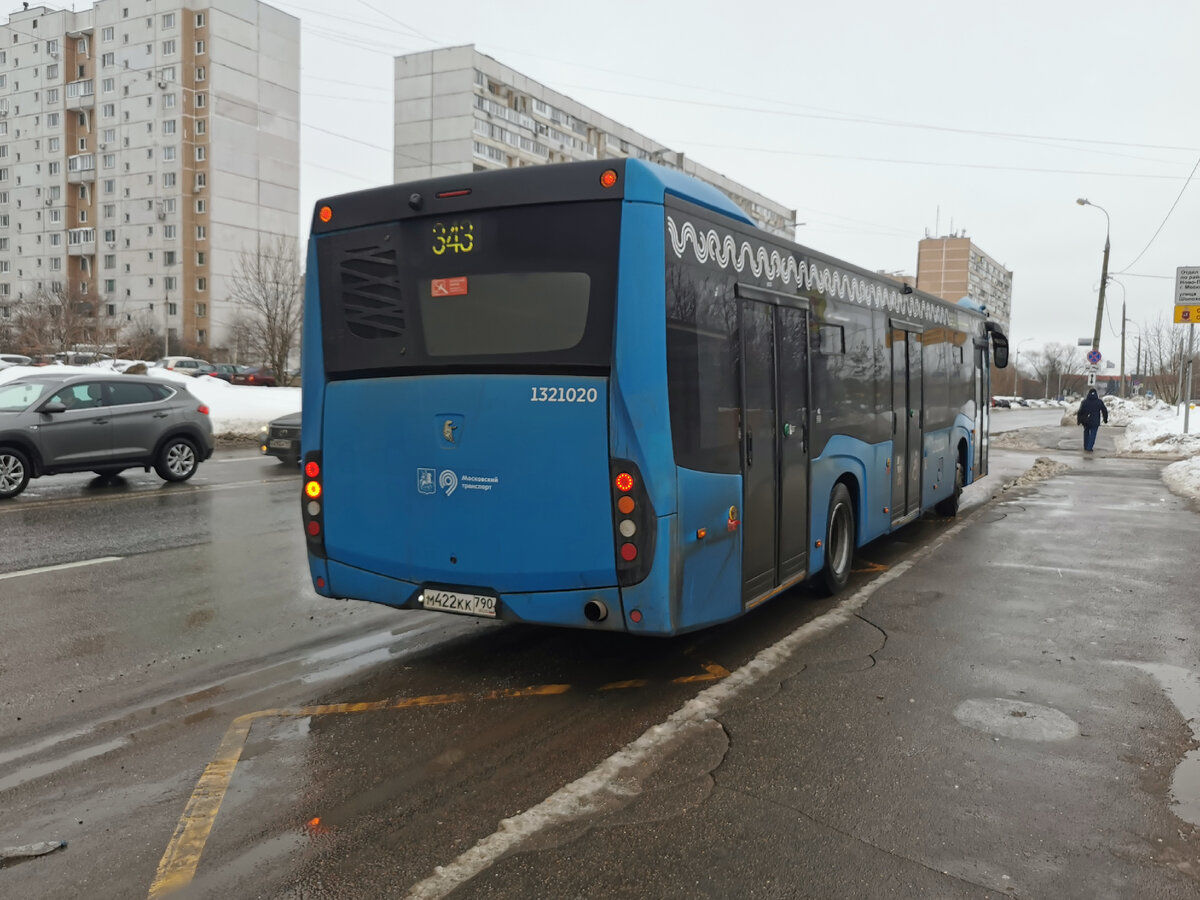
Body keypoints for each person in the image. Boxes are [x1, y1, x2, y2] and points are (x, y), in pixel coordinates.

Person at [1076, 387, 1109, 452]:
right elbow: (1104, 411)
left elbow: (1080, 412)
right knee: (1093, 435)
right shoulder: (1099, 402)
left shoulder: (1084, 402)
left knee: (1086, 433)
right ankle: (1089, 447)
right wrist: (1105, 419)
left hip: (1086, 421)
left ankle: (1085, 446)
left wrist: (1079, 420)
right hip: (1095, 421)